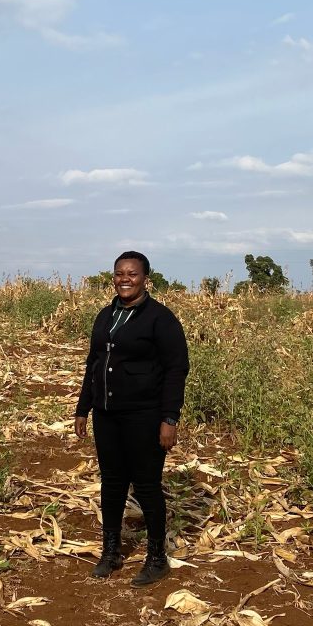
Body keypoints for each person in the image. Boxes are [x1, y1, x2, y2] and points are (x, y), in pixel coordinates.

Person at [74, 251, 189, 586]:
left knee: (147, 485)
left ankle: (156, 558)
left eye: (132, 274)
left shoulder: (159, 318)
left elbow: (176, 369)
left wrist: (170, 418)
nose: (125, 279)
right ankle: (110, 552)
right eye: (119, 273)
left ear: (145, 279)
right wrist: (84, 408)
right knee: (111, 483)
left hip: (144, 415)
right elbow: (93, 364)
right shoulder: (106, 315)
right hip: (108, 415)